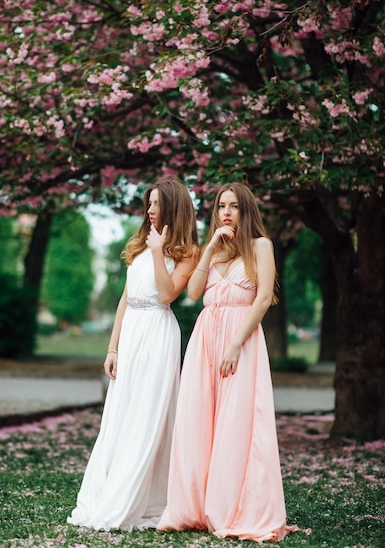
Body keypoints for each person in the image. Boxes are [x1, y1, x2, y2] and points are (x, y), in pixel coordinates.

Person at [158, 182, 297, 542]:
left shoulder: (260, 246)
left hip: (240, 339)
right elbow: (191, 294)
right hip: (205, 338)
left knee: (237, 423)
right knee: (200, 419)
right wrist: (208, 251)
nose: (226, 213)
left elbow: (264, 298)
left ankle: (233, 507)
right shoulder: (215, 251)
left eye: (234, 206)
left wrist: (236, 343)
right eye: (221, 206)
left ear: (246, 210)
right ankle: (197, 507)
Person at [68, 176, 199, 531]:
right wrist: (113, 348)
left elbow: (168, 293)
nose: (150, 210)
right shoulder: (139, 242)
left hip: (158, 331)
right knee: (122, 412)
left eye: (157, 204)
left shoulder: (187, 252)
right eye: (149, 203)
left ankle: (145, 496)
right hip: (133, 330)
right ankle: (111, 487)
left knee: (149, 412)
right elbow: (125, 300)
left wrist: (159, 252)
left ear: (173, 207)